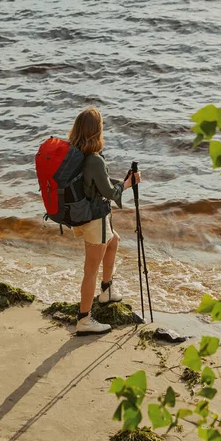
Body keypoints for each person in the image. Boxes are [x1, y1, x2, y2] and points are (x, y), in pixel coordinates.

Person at [67, 107, 141, 336]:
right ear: (96, 132)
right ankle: (84, 319)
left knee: (114, 240)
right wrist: (128, 184)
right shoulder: (95, 160)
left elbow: (98, 184)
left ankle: (107, 289)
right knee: (90, 271)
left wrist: (122, 182)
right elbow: (110, 192)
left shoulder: (75, 155)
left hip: (81, 216)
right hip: (94, 220)